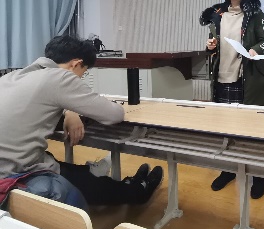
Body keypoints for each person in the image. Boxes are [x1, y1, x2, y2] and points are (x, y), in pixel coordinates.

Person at [0, 35, 163, 211]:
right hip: (13, 172)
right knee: (82, 182)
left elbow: (46, 98)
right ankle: (137, 192)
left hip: (10, 161)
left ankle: (114, 180)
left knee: (57, 163)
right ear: (76, 64)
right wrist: (71, 109)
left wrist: (70, 110)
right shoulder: (60, 77)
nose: (81, 78)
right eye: (83, 73)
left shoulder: (13, 76)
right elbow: (114, 115)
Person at [199, 0, 264, 199]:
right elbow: (215, 44)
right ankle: (228, 170)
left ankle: (259, 176)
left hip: (247, 78)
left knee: (253, 131)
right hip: (222, 77)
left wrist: (254, 50)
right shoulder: (218, 15)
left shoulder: (255, 14)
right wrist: (211, 45)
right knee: (226, 130)